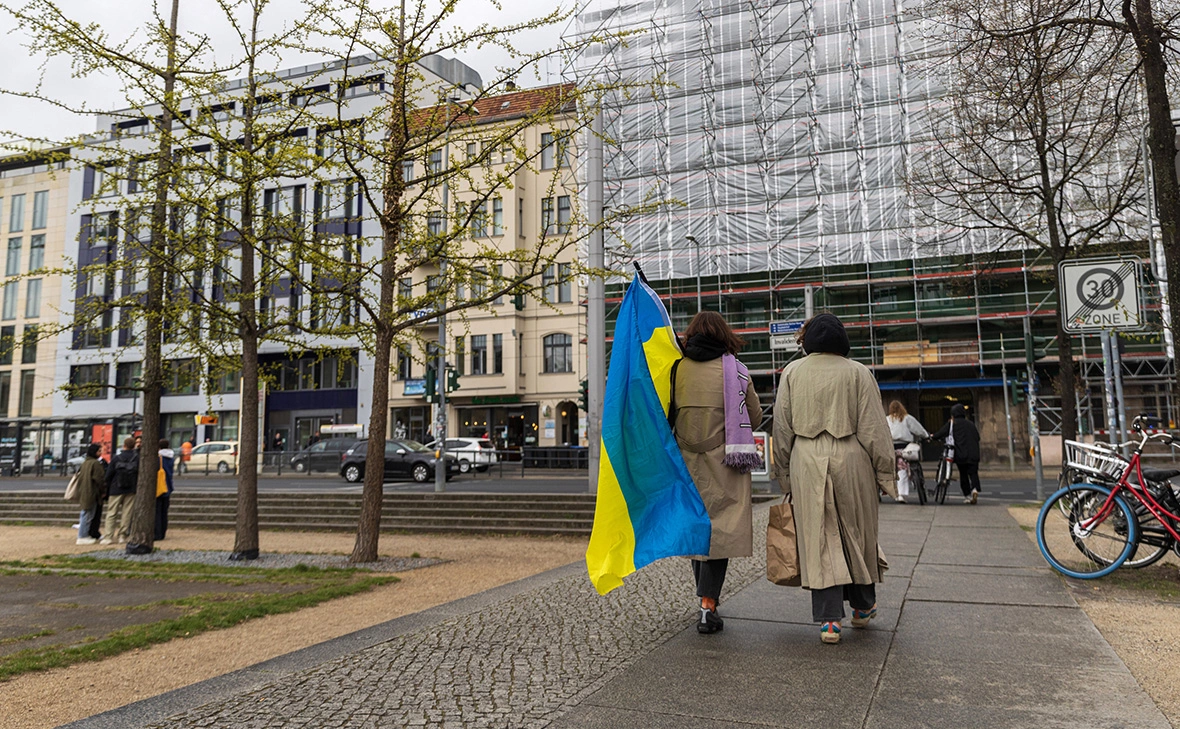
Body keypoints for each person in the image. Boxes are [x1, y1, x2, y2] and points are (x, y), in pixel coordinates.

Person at [772, 313, 895, 644]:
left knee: (819, 536)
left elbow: (781, 427)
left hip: (806, 459)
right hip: (852, 456)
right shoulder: (858, 373)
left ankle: (829, 621)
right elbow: (874, 428)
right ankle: (862, 607)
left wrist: (783, 474)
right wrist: (885, 474)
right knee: (856, 530)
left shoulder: (793, 373)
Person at [670, 311, 762, 634]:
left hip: (685, 463)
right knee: (719, 534)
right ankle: (708, 604)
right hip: (725, 461)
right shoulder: (735, 371)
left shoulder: (676, 369)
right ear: (725, 336)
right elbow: (754, 415)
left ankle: (705, 600)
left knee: (698, 530)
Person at [931, 403, 982, 504]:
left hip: (961, 454)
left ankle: (967, 496)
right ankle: (975, 489)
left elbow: (941, 433)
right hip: (974, 454)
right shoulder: (971, 424)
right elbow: (978, 437)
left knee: (963, 474)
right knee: (973, 473)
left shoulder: (952, 424)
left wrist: (932, 436)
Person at [886, 401, 928, 504]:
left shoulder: (887, 419)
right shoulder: (907, 418)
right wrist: (926, 436)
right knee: (903, 469)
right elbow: (919, 430)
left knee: (893, 468)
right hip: (905, 447)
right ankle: (901, 494)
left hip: (890, 446)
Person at [102, 437, 140, 545]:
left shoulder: (116, 458)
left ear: (124, 445)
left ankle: (108, 536)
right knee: (127, 513)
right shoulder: (137, 458)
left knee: (111, 513)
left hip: (116, 488)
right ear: (134, 446)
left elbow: (108, 474)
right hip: (131, 488)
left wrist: (107, 487)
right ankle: (122, 535)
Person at [74, 443, 106, 545]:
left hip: (84, 491)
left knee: (85, 513)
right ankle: (82, 536)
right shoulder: (95, 463)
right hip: (92, 492)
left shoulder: (85, 463)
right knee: (88, 515)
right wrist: (103, 491)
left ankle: (84, 534)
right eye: (99, 451)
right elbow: (99, 479)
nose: (101, 453)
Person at [155, 439, 175, 541]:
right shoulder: (171, 457)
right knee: (164, 511)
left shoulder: (159, 458)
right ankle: (163, 531)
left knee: (157, 511)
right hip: (168, 486)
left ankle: (157, 533)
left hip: (159, 486)